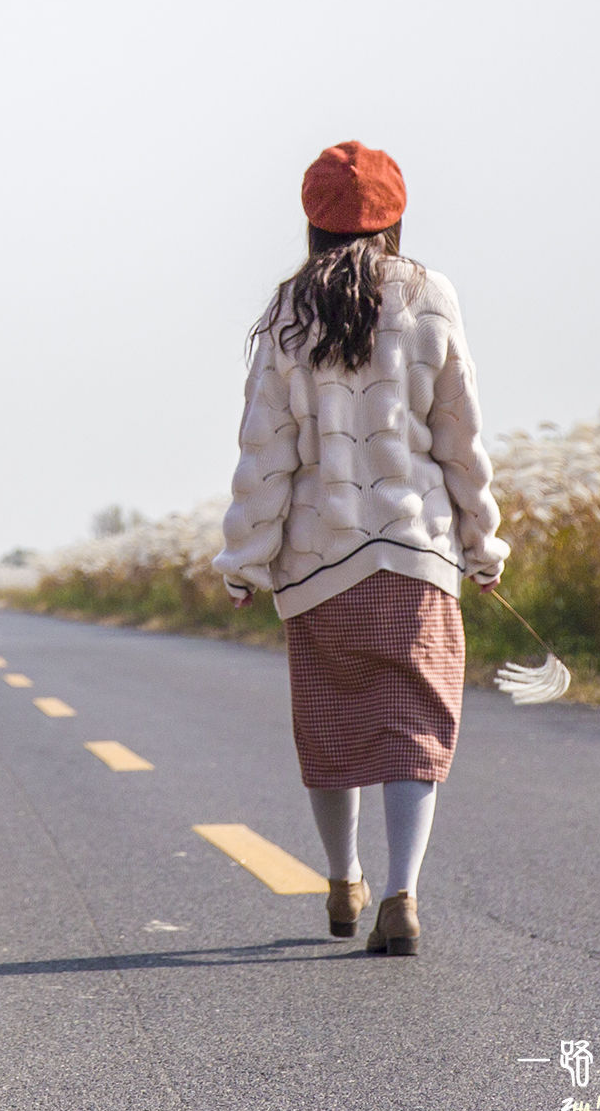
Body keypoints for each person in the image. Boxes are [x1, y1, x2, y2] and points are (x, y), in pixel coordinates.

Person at [213, 141, 508, 957]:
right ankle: (401, 893)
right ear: (395, 217)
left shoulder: (288, 312)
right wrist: (482, 543)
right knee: (414, 722)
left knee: (331, 726)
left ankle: (343, 878)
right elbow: (461, 436)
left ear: (312, 220)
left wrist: (244, 561)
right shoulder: (431, 295)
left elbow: (265, 450)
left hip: (320, 563)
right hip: (416, 552)